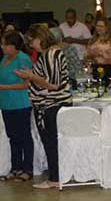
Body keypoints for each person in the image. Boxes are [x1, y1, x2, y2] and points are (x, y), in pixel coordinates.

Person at [16, 25, 72, 190]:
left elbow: (53, 84)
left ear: (40, 38)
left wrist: (31, 76)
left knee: (51, 143)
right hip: (49, 104)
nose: (30, 45)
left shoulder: (51, 54)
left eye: (31, 41)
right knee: (51, 142)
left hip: (51, 104)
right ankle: (56, 176)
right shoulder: (49, 53)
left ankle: (55, 178)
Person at [0, 31, 34, 182]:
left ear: (14, 46)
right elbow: (0, 76)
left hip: (20, 103)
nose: (2, 47)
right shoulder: (5, 58)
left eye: (5, 44)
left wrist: (4, 87)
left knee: (24, 136)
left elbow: (27, 84)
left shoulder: (23, 59)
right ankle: (15, 167)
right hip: (6, 103)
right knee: (12, 136)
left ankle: (27, 168)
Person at [86, 18, 111, 83]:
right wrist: (89, 65)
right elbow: (88, 54)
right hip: (96, 67)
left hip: (109, 68)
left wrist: (101, 53)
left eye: (101, 26)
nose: (98, 28)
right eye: (97, 26)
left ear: (107, 27)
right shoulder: (93, 39)